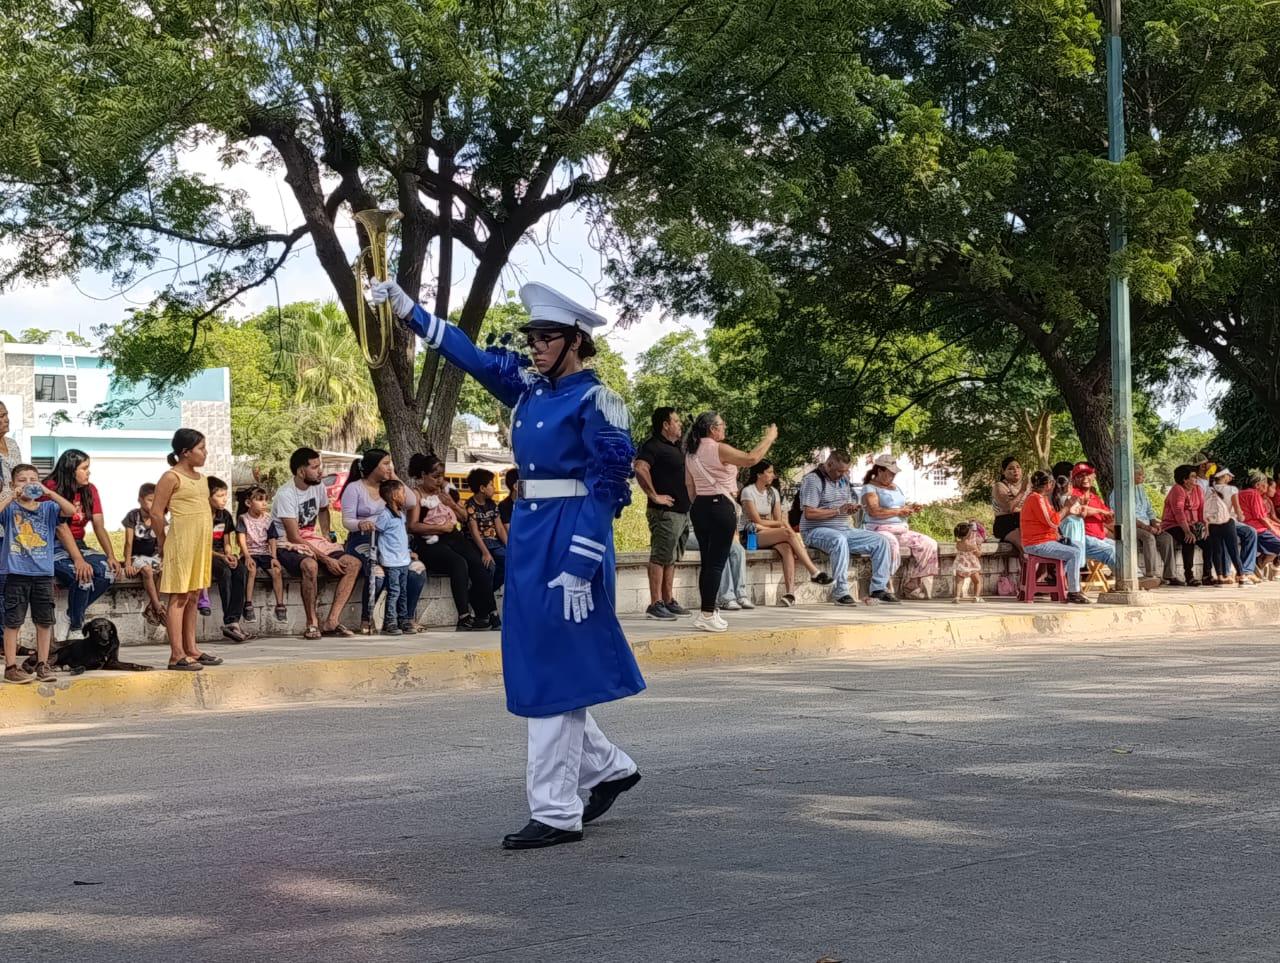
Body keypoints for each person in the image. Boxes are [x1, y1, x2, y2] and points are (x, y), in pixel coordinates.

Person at [373, 276, 643, 851]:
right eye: (533, 337)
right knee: (538, 662)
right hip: (529, 533)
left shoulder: (599, 400)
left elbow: (607, 490)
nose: (535, 346)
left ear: (576, 341)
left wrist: (581, 561)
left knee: (553, 670)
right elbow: (470, 356)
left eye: (546, 337)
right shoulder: (530, 390)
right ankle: (610, 767)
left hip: (571, 537)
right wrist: (409, 313)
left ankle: (555, 809)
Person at [685, 412, 777, 633]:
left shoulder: (690, 452)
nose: (724, 428)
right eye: (721, 425)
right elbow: (751, 459)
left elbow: (689, 486)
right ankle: (707, 613)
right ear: (712, 429)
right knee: (717, 562)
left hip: (700, 506)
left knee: (708, 562)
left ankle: (709, 610)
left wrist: (701, 503)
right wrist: (769, 438)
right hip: (720, 506)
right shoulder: (718, 448)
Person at [1, 464, 91, 683]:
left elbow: (71, 511)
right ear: (14, 484)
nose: (28, 483)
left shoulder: (48, 508)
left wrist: (48, 492)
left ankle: (43, 663)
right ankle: (11, 666)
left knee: (44, 621)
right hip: (16, 573)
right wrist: (11, 497)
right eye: (22, 479)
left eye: (33, 478)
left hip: (43, 574)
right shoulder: (11, 510)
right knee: (13, 621)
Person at [151, 429, 222, 671]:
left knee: (193, 594)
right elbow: (157, 513)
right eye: (201, 448)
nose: (205, 453)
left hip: (200, 544)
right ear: (185, 452)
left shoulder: (202, 479)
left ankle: (192, 648)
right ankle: (176, 654)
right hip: (181, 541)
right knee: (179, 596)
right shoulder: (171, 477)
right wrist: (161, 540)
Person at [275, 447, 361, 639]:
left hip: (313, 539)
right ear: (301, 471)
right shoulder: (285, 494)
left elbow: (323, 510)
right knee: (310, 565)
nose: (320, 471)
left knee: (353, 564)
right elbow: (293, 536)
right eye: (315, 467)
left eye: (319, 466)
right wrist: (325, 558)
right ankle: (311, 622)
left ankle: (332, 620)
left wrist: (327, 534)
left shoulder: (319, 486)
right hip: (288, 543)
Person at [404, 452, 495, 631]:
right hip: (430, 541)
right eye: (435, 477)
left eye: (441, 477)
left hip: (452, 535)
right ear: (423, 475)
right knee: (458, 563)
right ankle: (463, 615)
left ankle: (487, 613)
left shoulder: (446, 492)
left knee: (478, 562)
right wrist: (439, 528)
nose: (439, 481)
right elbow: (412, 526)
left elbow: (465, 518)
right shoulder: (416, 495)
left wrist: (452, 504)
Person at [43, 449, 125, 639]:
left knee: (107, 571)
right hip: (51, 545)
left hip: (78, 544)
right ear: (71, 470)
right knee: (82, 574)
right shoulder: (50, 488)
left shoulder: (90, 489)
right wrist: (78, 560)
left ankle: (71, 615)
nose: (89, 472)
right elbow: (60, 528)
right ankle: (76, 627)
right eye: (84, 468)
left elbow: (99, 525)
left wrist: (111, 555)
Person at [799, 450, 896, 604]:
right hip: (816, 530)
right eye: (839, 471)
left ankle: (878, 589)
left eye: (845, 471)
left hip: (844, 529)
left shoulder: (844, 479)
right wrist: (837, 511)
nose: (842, 474)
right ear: (829, 464)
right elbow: (809, 513)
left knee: (881, 541)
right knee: (839, 540)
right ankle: (841, 591)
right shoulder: (813, 480)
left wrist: (851, 508)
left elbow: (843, 506)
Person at [740, 460, 830, 606]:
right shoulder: (748, 492)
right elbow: (757, 521)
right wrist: (781, 524)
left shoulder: (773, 492)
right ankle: (813, 572)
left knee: (787, 548)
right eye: (769, 472)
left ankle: (790, 594)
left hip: (770, 532)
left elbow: (777, 519)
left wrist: (779, 524)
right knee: (787, 533)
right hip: (751, 533)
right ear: (759, 474)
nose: (772, 475)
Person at [634, 407, 692, 621]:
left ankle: (668, 600)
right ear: (665, 425)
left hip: (681, 512)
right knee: (660, 557)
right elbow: (640, 468)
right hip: (665, 513)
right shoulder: (653, 445)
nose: (680, 425)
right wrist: (655, 495)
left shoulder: (676, 447)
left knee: (672, 558)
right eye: (676, 421)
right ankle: (655, 603)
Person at [862, 453, 940, 599]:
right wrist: (899, 511)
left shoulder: (895, 487)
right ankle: (885, 584)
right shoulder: (870, 488)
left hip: (900, 528)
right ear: (880, 471)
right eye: (890, 473)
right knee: (889, 544)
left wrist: (909, 508)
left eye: (894, 474)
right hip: (879, 529)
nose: (893, 477)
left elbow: (898, 507)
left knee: (929, 544)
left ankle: (912, 583)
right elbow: (874, 511)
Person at [1020, 470, 1091, 604]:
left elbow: (1052, 521)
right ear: (1049, 484)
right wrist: (1067, 507)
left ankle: (1057, 576)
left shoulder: (1040, 498)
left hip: (1045, 539)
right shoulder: (1036, 499)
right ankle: (1073, 591)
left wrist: (1068, 512)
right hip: (1036, 543)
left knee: (1078, 546)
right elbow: (1052, 521)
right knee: (1074, 552)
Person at [1110, 466, 1178, 584]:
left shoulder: (1140, 488)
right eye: (1140, 474)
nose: (1143, 477)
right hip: (1131, 526)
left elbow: (1149, 509)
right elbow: (1126, 516)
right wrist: (1146, 527)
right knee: (1149, 537)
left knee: (1166, 538)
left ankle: (1170, 575)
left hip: (1147, 525)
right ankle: (1152, 574)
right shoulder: (1119, 491)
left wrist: (1155, 524)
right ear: (1131, 475)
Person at [207, 475, 251, 641]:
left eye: (225, 495)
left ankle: (234, 621)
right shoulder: (201, 516)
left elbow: (226, 541)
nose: (224, 499)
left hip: (220, 554)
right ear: (208, 497)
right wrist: (222, 557)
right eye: (219, 496)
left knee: (240, 570)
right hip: (206, 555)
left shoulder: (224, 515)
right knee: (224, 572)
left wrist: (229, 554)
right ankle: (229, 620)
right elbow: (201, 547)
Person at [236, 485, 287, 622]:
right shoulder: (243, 519)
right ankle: (248, 604)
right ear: (248, 503)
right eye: (259, 500)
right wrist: (246, 556)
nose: (264, 503)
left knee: (276, 571)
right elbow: (241, 538)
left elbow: (272, 539)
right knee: (251, 570)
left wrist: (274, 557)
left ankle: (280, 604)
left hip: (264, 553)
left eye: (265, 500)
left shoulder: (268, 519)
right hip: (250, 552)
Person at [122, 482, 167, 625]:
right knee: (147, 570)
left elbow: (162, 542)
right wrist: (128, 563)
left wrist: (163, 560)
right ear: (140, 500)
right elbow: (128, 542)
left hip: (153, 555)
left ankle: (151, 607)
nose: (153, 504)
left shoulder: (158, 518)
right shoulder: (133, 516)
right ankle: (158, 608)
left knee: (164, 570)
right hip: (137, 556)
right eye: (149, 500)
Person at [374, 478, 414, 635]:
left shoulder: (401, 515)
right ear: (394, 495)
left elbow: (401, 536)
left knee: (403, 591)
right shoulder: (385, 516)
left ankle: (403, 620)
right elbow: (377, 534)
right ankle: (390, 621)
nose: (405, 496)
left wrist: (409, 551)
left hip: (403, 560)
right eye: (403, 493)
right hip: (391, 561)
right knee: (394, 591)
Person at [1068, 464, 1123, 576]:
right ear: (1074, 479)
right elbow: (1080, 510)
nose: (1085, 478)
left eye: (1088, 475)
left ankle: (1138, 578)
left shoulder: (1094, 497)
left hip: (1100, 538)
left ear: (1094, 476)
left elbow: (1106, 518)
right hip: (1083, 538)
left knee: (1123, 547)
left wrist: (1109, 517)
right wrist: (1101, 511)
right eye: (1080, 476)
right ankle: (1124, 581)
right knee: (1110, 551)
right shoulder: (1073, 493)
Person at [1161, 465, 1211, 586]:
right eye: (1193, 477)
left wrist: (1206, 527)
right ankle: (1189, 576)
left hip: (1193, 525)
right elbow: (1178, 512)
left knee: (1209, 542)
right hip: (1173, 524)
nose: (1196, 479)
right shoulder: (1177, 489)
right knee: (1189, 539)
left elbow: (1202, 510)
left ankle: (1207, 575)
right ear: (1185, 479)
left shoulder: (1198, 489)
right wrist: (1187, 531)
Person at [1206, 468, 1256, 586]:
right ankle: (1242, 577)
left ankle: (1219, 577)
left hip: (1213, 523)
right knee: (1233, 550)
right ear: (1223, 476)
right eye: (1229, 476)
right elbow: (1237, 508)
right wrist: (1241, 516)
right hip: (1228, 522)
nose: (1231, 478)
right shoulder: (1232, 489)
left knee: (1217, 551)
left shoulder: (1209, 490)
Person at [465, 468, 508, 591]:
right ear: (482, 488)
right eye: (491, 484)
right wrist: (485, 552)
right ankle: (482, 596)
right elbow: (474, 532)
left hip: (494, 542)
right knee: (490, 566)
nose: (494, 488)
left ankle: (487, 593)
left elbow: (499, 528)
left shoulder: (492, 504)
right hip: (478, 544)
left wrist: (509, 547)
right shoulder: (470, 505)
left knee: (508, 562)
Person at [1238, 472, 1280, 579]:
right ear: (1257, 485)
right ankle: (1259, 564)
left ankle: (1257, 565)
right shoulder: (1254, 494)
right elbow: (1260, 516)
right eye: (1264, 483)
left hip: (1245, 527)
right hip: (1258, 529)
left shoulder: (1240, 493)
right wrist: (1273, 530)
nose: (1266, 486)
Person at [991, 456, 1029, 553]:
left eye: (1018, 467)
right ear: (1003, 472)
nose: (1015, 470)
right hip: (1006, 523)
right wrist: (1022, 491)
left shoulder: (1028, 486)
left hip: (1024, 521)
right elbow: (1009, 508)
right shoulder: (999, 486)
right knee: (1025, 548)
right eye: (1011, 468)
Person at [951, 521, 984, 602]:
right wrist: (979, 546)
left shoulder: (958, 544)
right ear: (968, 533)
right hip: (972, 567)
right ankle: (976, 597)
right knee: (977, 582)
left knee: (959, 582)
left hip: (961, 566)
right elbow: (978, 554)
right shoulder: (971, 545)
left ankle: (957, 597)